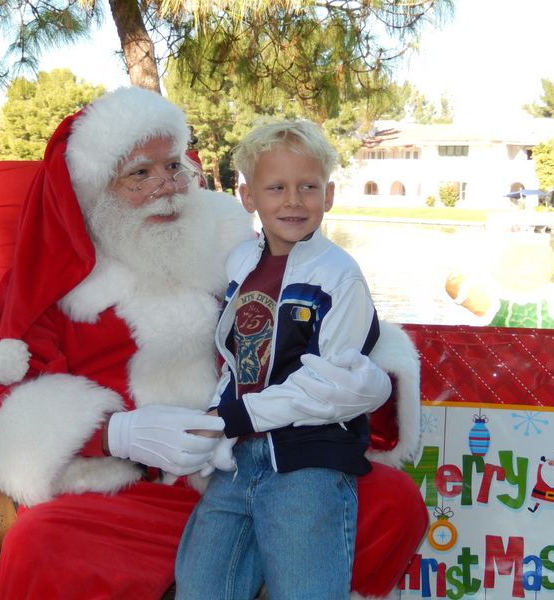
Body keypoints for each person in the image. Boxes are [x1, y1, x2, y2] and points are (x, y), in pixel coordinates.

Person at [0, 86, 427, 599]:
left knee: (394, 502)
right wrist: (117, 434)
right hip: (131, 495)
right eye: (139, 173)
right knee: (42, 544)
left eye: (173, 166)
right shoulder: (55, 278)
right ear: (96, 188)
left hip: (258, 456)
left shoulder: (228, 239)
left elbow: (317, 313)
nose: (165, 186)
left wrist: (366, 371)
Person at [175, 119, 393, 599]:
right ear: (249, 196)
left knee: (305, 590)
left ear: (328, 194)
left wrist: (235, 416)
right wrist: (216, 424)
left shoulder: (339, 276)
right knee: (202, 585)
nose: (293, 200)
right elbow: (238, 362)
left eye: (307, 186)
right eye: (276, 187)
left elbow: (334, 386)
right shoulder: (240, 264)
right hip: (239, 455)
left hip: (309, 461)